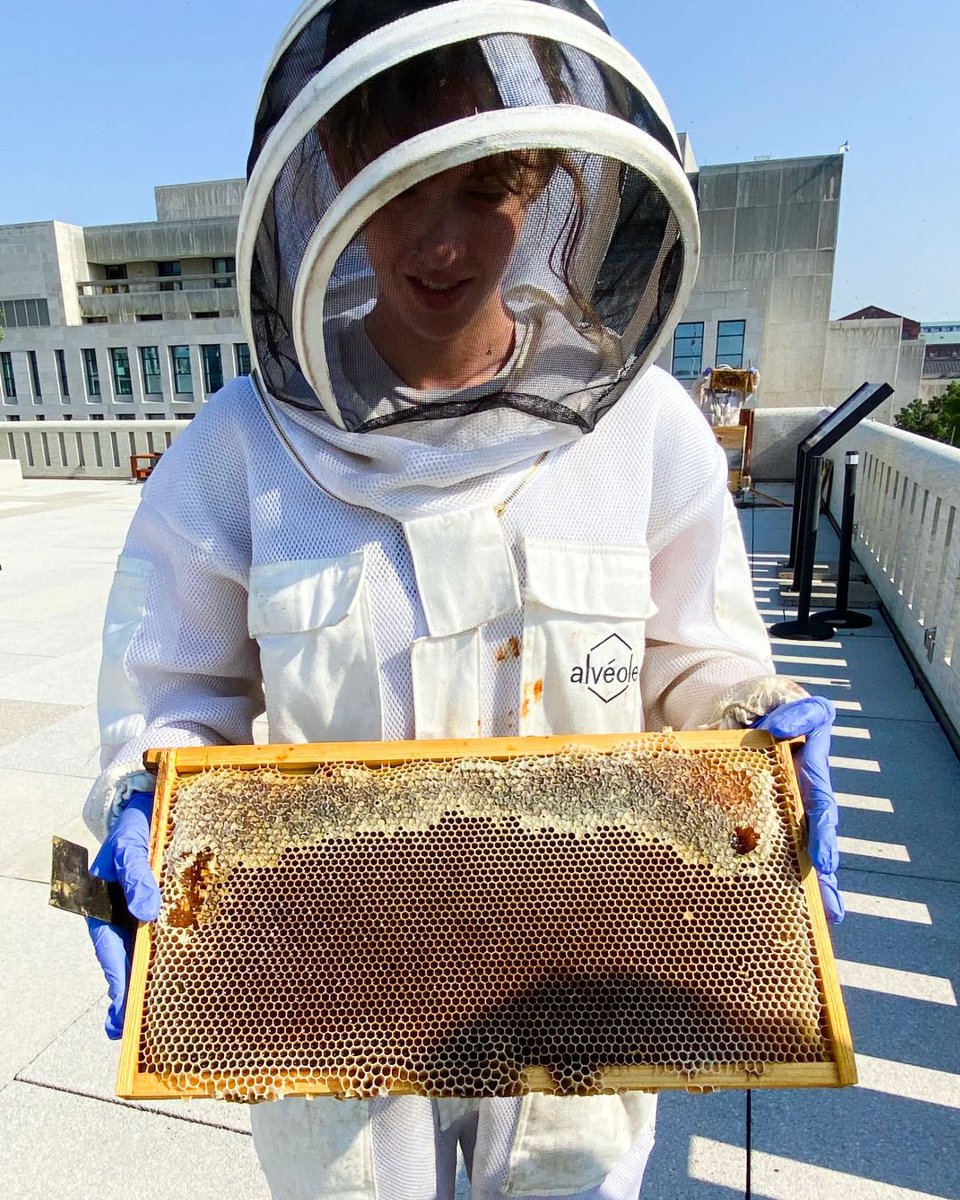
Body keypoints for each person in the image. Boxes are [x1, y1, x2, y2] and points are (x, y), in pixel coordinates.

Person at [84, 2, 843, 1197]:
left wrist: (755, 718)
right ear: (335, 183)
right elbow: (175, 691)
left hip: (584, 992)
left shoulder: (644, 430)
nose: (439, 245)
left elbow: (694, 659)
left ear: (547, 190)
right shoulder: (238, 449)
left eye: (484, 189)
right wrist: (145, 796)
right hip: (334, 1007)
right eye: (399, 189)